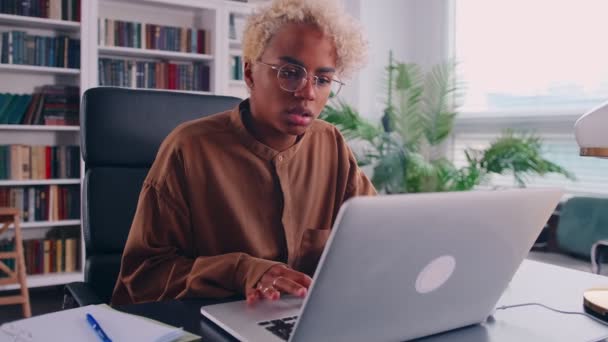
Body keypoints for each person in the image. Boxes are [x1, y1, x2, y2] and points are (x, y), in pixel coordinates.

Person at [111, 0, 376, 306]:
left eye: (323, 79)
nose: (308, 92)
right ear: (249, 74)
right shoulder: (188, 149)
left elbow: (372, 235)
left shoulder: (331, 144)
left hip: (307, 320)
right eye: (290, 72)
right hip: (215, 321)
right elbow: (142, 277)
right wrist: (239, 270)